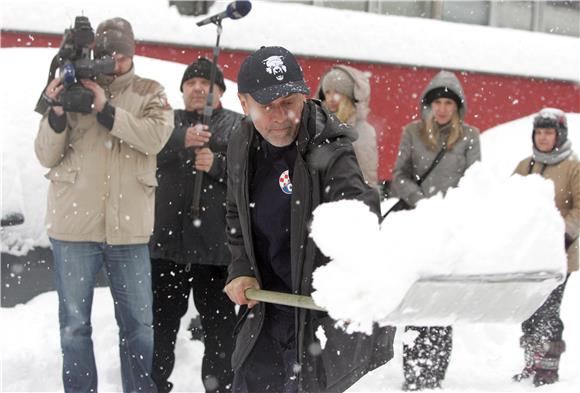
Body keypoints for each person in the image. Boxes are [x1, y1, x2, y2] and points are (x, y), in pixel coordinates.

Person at [223, 46, 395, 393]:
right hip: (267, 307)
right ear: (244, 103)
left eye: (289, 102)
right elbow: (234, 214)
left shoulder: (330, 146)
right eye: (267, 106)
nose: (281, 116)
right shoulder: (241, 142)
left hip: (315, 314)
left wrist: (353, 281)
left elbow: (358, 214)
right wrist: (241, 267)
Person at [34, 17, 173, 393]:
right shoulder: (71, 86)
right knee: (75, 324)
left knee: (139, 325)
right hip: (74, 227)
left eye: (121, 54)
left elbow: (155, 137)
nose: (114, 61)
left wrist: (105, 108)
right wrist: (57, 109)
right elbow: (46, 154)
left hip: (128, 233)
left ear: (132, 53)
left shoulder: (150, 91)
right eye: (107, 53)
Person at [150, 58, 242, 393]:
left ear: (219, 92)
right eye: (192, 83)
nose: (199, 88)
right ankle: (154, 386)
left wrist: (218, 164)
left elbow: (250, 176)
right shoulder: (166, 122)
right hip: (166, 248)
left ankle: (219, 389)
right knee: (160, 327)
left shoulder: (237, 126)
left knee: (220, 333)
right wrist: (180, 140)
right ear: (183, 90)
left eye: (207, 84)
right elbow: (145, 151)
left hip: (216, 252)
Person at [391, 70, 481, 391]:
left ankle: (435, 372)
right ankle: (413, 369)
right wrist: (420, 200)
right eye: (437, 103)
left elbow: (475, 180)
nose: (442, 109)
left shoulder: (470, 136)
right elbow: (399, 176)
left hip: (451, 228)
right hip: (419, 224)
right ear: (427, 106)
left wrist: (452, 207)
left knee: (443, 301)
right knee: (418, 298)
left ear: (458, 108)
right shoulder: (412, 133)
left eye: (448, 103)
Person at [512, 108, 579, 387]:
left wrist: (561, 233)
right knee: (529, 309)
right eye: (539, 132)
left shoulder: (573, 167)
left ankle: (548, 366)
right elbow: (509, 201)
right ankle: (533, 358)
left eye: (548, 132)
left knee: (549, 310)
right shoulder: (525, 165)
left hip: (559, 253)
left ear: (559, 135)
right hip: (529, 253)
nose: (543, 137)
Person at [317, 65, 379, 189]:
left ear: (349, 95)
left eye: (337, 92)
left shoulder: (363, 131)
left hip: (347, 200)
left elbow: (367, 177)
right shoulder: (317, 124)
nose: (331, 98)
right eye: (328, 92)